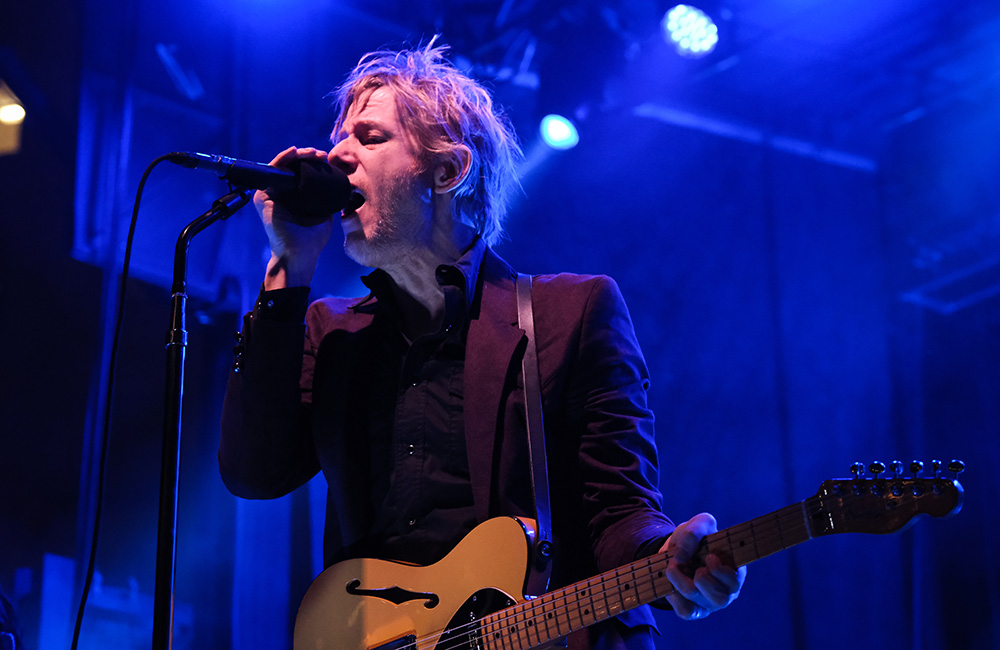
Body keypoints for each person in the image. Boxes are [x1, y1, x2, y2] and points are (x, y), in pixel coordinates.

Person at [219, 41, 745, 649]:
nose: (337, 155)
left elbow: (619, 509)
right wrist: (289, 268)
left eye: (369, 137)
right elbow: (254, 472)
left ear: (447, 171)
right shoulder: (332, 331)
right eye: (340, 138)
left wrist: (669, 556)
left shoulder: (570, 314)